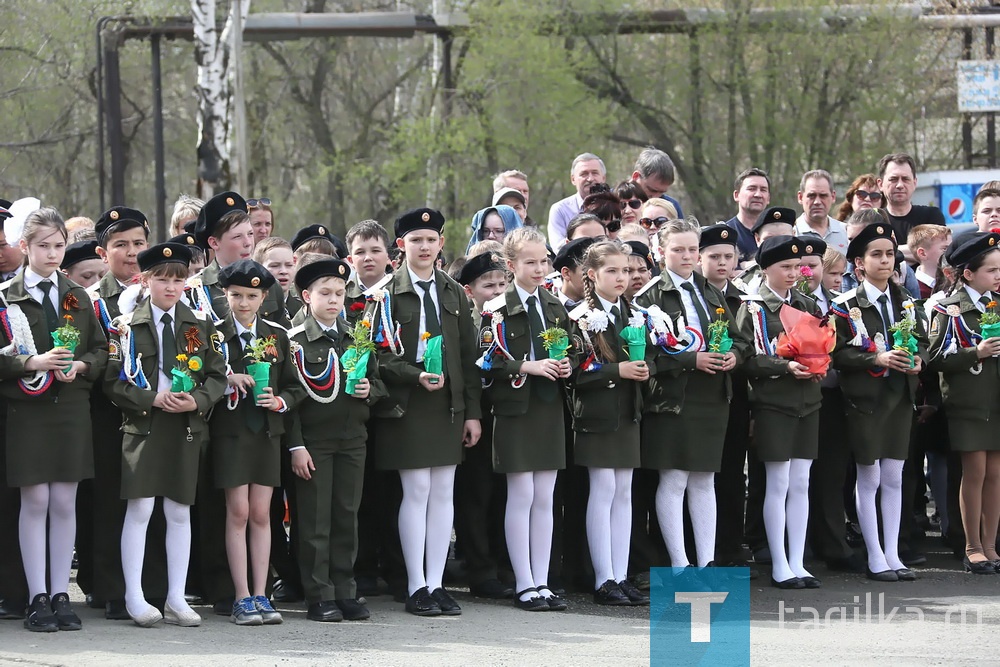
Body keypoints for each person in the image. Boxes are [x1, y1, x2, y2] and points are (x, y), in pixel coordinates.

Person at [105, 241, 227, 627]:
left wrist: (197, 401)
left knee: (178, 511)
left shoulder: (198, 324)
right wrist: (150, 398)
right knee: (140, 509)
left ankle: (176, 596)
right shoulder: (125, 327)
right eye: (162, 279)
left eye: (178, 279)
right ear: (145, 280)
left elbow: (217, 375)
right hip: (143, 425)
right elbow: (113, 383)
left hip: (185, 426)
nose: (171, 287)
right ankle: (135, 595)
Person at [0, 208, 107, 632]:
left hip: (70, 409)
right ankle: (35, 596)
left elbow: (103, 351)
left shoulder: (77, 296)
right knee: (36, 501)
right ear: (24, 247)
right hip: (27, 411)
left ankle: (61, 593)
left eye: (59, 246)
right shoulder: (7, 297)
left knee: (64, 501)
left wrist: (81, 366)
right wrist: (32, 361)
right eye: (43, 246)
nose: (52, 254)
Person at [371, 208, 482, 617]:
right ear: (401, 246)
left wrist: (472, 413)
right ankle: (415, 583)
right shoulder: (384, 294)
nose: (424, 247)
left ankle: (436, 582)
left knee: (443, 495)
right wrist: (413, 375)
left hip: (447, 407)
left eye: (431, 239)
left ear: (440, 245)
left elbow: (469, 358)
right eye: (416, 240)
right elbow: (376, 357)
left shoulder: (452, 291)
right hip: (408, 405)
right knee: (416, 492)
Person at [635, 218, 745, 578]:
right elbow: (645, 355)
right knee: (675, 479)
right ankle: (680, 563)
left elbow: (738, 337)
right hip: (674, 397)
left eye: (692, 249)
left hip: (712, 394)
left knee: (703, 479)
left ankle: (706, 559)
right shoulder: (649, 296)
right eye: (678, 249)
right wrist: (689, 359)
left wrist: (734, 356)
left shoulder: (710, 289)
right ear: (660, 252)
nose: (686, 256)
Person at [284, 258, 386, 621]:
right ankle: (318, 594)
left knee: (346, 515)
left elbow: (378, 382)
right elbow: (289, 400)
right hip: (314, 442)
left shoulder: (355, 337)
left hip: (352, 439)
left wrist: (368, 390)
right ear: (306, 295)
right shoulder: (294, 340)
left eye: (340, 293)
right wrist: (296, 446)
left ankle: (345, 590)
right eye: (325, 293)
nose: (334, 300)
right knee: (314, 521)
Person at [479, 227, 572, 611]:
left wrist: (568, 363)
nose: (539, 268)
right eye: (530, 262)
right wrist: (527, 365)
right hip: (516, 409)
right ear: (511, 264)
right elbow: (488, 361)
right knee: (521, 495)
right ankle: (523, 582)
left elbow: (571, 346)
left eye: (543, 261)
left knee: (545, 498)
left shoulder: (554, 306)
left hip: (548, 407)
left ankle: (543, 579)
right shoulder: (495, 309)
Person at [830, 223, 927, 582]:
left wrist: (920, 360)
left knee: (894, 477)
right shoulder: (845, 305)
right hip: (866, 400)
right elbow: (837, 353)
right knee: (869, 477)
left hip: (899, 397)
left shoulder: (906, 300)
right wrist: (875, 359)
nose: (885, 260)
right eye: (876, 254)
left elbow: (921, 341)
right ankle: (873, 554)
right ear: (859, 263)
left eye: (889, 254)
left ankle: (892, 552)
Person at [736, 235, 826, 589]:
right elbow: (747, 358)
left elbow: (822, 342)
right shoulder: (755, 307)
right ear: (765, 269)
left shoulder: (807, 303)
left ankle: (798, 560)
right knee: (778, 482)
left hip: (808, 400)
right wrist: (783, 366)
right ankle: (779, 562)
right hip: (774, 402)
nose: (792, 273)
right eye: (784, 267)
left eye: (795, 267)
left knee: (802, 482)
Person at [211, 260, 297, 626]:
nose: (243, 303)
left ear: (264, 297)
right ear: (225, 295)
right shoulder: (212, 335)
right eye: (235, 295)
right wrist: (228, 378)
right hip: (231, 433)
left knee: (263, 513)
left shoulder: (277, 334)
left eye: (251, 296)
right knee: (238, 512)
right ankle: (241, 596)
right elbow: (202, 376)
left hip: (266, 433)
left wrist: (279, 402)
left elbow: (294, 387)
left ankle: (262, 594)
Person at [564, 240, 648, 606]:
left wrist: (645, 367)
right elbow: (578, 372)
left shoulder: (635, 312)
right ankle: (603, 578)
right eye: (612, 271)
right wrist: (618, 369)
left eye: (626, 270)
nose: (622, 277)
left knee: (624, 493)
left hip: (628, 411)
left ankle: (621, 572)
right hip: (597, 414)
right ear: (592, 275)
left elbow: (651, 354)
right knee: (602, 492)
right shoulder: (581, 316)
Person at [928, 231, 1000, 574]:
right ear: (968, 273)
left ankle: (990, 545)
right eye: (991, 270)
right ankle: (972, 546)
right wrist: (976, 351)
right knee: (975, 472)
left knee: (996, 474)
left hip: (996, 402)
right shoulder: (949, 307)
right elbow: (936, 356)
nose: (998, 276)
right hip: (968, 402)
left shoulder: (997, 303)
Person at [342, 219, 405, 600]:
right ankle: (363, 568)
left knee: (395, 493)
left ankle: (398, 570)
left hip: (397, 405)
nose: (368, 258)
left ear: (389, 256)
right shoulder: (342, 297)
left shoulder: (400, 294)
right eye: (360, 252)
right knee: (361, 493)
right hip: (356, 406)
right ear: (350, 258)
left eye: (375, 250)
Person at [697, 224, 755, 575]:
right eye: (714, 256)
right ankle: (700, 549)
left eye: (728, 256)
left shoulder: (744, 297)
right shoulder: (695, 295)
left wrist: (737, 353)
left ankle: (730, 545)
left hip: (736, 394)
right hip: (702, 395)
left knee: (733, 474)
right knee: (701, 475)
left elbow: (748, 342)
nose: (722, 263)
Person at [455, 247, 513, 600]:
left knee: (505, 495)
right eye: (488, 285)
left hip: (509, 416)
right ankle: (480, 569)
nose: (495, 291)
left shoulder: (510, 319)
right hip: (478, 417)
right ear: (470, 291)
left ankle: (505, 564)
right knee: (476, 495)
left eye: (500, 284)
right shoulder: (468, 323)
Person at [876, 153, 946, 260]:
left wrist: (890, 253)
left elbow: (937, 252)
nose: (900, 185)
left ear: (914, 183)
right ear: (880, 184)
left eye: (905, 179)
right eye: (893, 179)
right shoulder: (874, 219)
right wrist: (921, 251)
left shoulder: (931, 216)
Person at [547, 153, 607, 248]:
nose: (590, 179)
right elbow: (558, 248)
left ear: (603, 178)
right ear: (573, 179)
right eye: (584, 174)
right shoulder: (560, 210)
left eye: (595, 173)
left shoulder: (618, 206)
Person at [794, 169, 849, 256]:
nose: (817, 202)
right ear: (800, 197)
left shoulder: (846, 232)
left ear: (833, 196)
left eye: (823, 196)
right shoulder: (792, 233)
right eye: (811, 196)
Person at [724, 167, 771, 265]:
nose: (758, 194)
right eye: (751, 189)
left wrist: (745, 266)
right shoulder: (726, 234)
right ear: (736, 195)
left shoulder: (776, 234)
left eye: (763, 190)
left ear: (768, 198)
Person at [630, 147, 684, 219]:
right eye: (652, 190)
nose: (656, 197)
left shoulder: (672, 207)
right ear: (636, 176)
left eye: (662, 192)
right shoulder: (612, 201)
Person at [253, 237, 296, 317]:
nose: (283, 271)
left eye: (289, 265)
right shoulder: (253, 309)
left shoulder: (304, 309)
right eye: (275, 266)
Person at [909, 225, 952, 300]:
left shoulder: (954, 282)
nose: (951, 252)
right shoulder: (912, 289)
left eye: (952, 247)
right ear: (922, 253)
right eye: (944, 249)